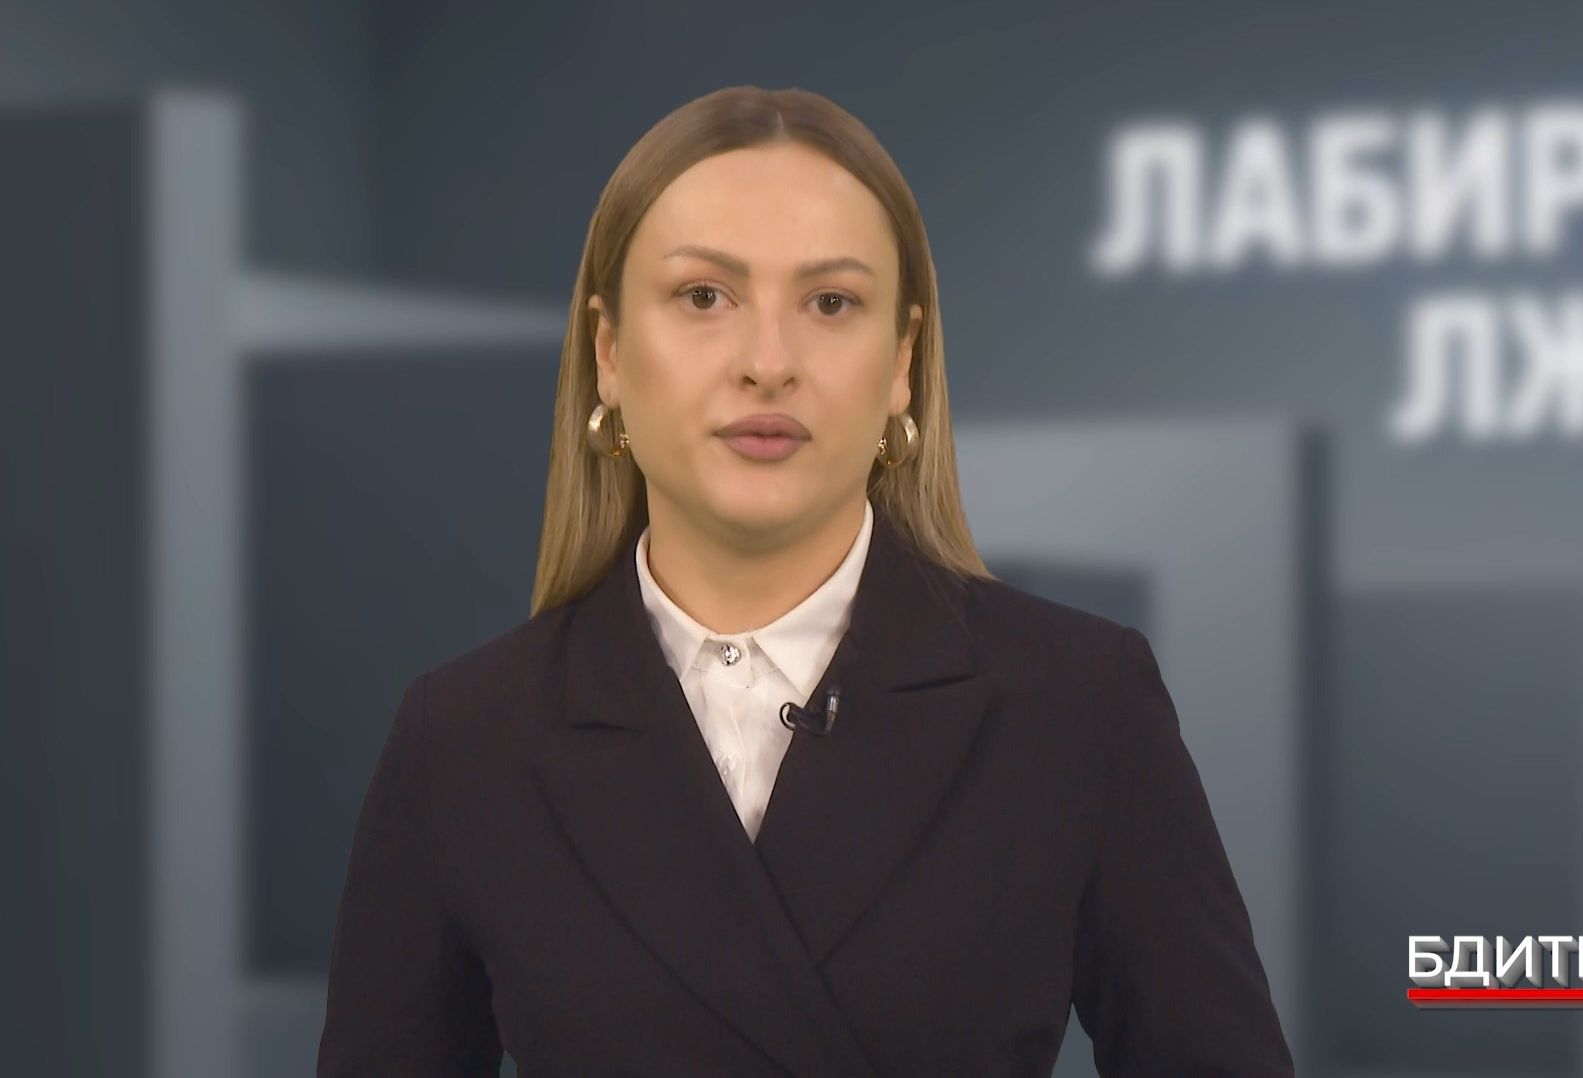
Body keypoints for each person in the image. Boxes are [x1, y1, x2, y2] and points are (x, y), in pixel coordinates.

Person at [317, 84, 1293, 1077]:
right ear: (609, 353)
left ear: (902, 360)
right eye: (705, 297)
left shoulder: (1080, 704)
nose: (768, 363)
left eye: (831, 303)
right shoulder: (463, 739)